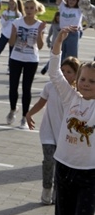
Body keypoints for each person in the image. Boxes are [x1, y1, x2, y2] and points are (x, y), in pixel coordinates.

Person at [47, 26, 95, 215]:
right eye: (83, 79)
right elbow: (54, 72)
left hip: (90, 173)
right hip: (63, 167)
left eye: (92, 81)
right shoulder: (70, 97)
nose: (86, 84)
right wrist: (58, 41)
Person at [25, 56, 80, 205]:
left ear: (76, 75)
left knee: (61, 166)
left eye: (69, 72)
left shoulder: (76, 94)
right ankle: (46, 188)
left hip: (65, 136)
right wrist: (29, 114)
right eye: (62, 71)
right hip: (48, 132)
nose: (65, 74)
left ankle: (58, 192)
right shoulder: (49, 87)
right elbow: (41, 103)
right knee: (49, 161)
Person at [6, 0, 46, 128]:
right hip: (16, 57)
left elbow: (40, 46)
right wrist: (13, 33)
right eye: (26, 8)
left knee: (26, 88)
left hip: (31, 59)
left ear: (36, 9)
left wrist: (40, 32)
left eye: (31, 8)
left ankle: (25, 115)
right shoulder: (17, 22)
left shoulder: (39, 24)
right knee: (13, 86)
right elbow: (11, 43)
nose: (29, 10)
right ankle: (13, 110)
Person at [0, 0, 22, 74]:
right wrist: (6, 20)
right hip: (5, 35)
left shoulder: (18, 14)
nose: (11, 5)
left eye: (13, 4)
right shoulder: (5, 12)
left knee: (12, 53)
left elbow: (19, 25)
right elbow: (3, 24)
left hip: (13, 36)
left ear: (16, 5)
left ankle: (10, 68)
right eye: (10, 4)